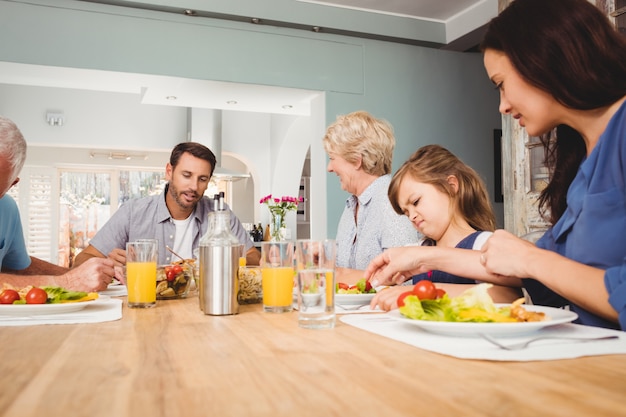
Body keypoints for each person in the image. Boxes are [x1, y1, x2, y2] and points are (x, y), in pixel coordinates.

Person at [367, 0, 626, 330]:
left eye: (501, 83)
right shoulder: (582, 161)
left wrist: (531, 258)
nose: (502, 106)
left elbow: (535, 266)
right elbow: (532, 269)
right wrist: (422, 257)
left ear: (544, 60)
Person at [368, 145, 522, 310]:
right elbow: (376, 277)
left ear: (451, 186)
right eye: (406, 213)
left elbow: (511, 296)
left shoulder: (483, 244)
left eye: (416, 202)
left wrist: (425, 294)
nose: (412, 216)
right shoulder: (418, 248)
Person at [73, 142, 261, 270]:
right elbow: (80, 261)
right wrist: (105, 263)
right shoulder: (133, 212)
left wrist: (225, 257)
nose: (194, 187)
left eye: (202, 179)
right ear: (169, 172)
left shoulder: (220, 213)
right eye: (186, 175)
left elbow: (253, 256)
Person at [0, 116, 115, 292]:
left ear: (12, 184)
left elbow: (16, 267)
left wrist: (79, 275)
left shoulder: (8, 209)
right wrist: (67, 282)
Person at [323, 111, 420, 284]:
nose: (329, 168)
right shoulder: (352, 205)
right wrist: (323, 258)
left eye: (332, 158)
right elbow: (343, 267)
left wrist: (340, 274)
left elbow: (403, 281)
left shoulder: (391, 202)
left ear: (356, 160)